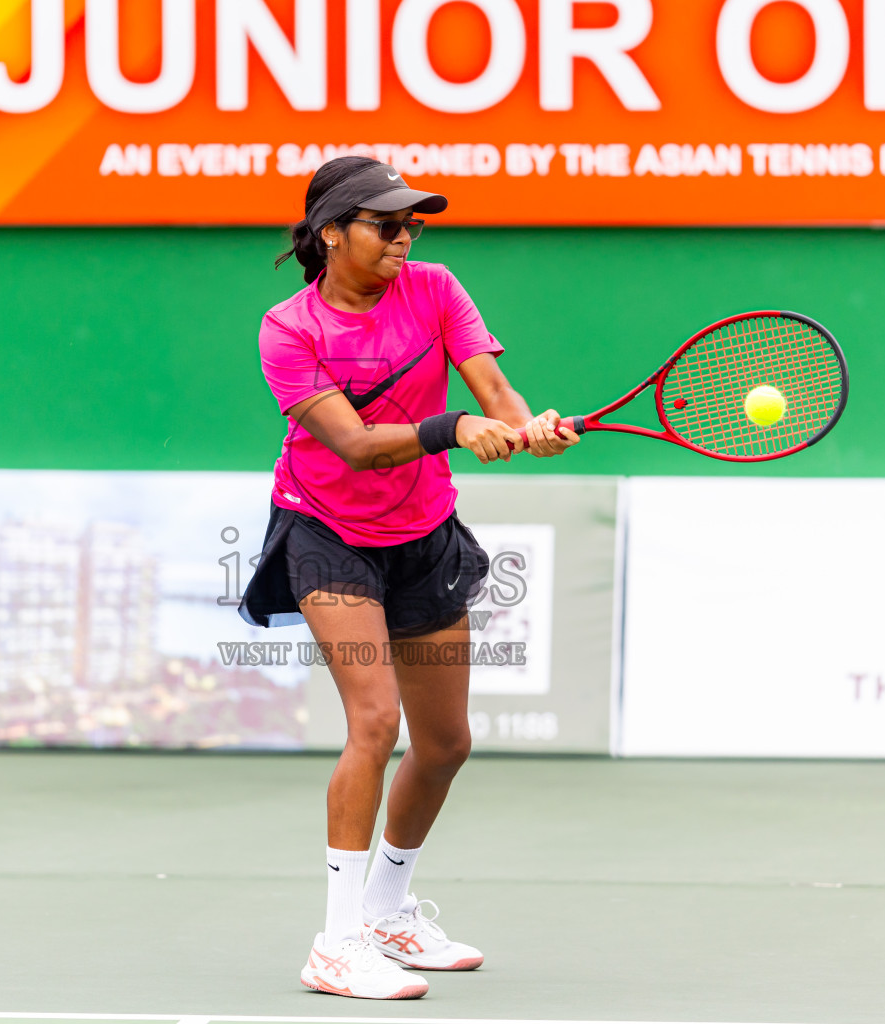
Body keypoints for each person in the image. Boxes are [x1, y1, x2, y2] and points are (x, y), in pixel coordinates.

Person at [239, 155, 578, 1000]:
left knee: (446, 742)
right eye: (385, 225)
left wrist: (522, 424)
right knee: (375, 722)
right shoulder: (290, 329)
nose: (404, 239)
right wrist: (455, 426)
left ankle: (390, 908)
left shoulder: (434, 287)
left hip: (422, 532)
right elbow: (353, 443)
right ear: (332, 234)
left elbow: (492, 387)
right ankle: (337, 940)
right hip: (327, 533)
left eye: (411, 225)